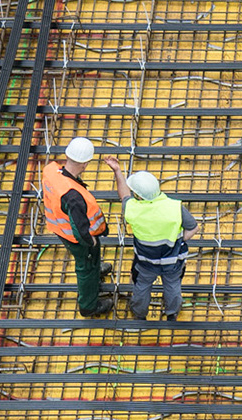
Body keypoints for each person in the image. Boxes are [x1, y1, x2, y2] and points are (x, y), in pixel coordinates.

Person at [109, 163, 200, 321]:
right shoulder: (175, 207)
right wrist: (178, 240)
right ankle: (172, 312)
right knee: (173, 287)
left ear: (138, 196)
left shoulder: (132, 211)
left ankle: (139, 313)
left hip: (145, 263)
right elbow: (194, 227)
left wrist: (117, 170)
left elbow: (124, 194)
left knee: (142, 287)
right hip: (172, 262)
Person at [42, 137, 116, 317]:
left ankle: (96, 268)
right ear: (85, 164)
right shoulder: (74, 198)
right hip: (77, 239)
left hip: (60, 227)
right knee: (86, 268)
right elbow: (81, 231)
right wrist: (91, 243)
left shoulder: (52, 171)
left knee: (91, 262)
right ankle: (88, 306)